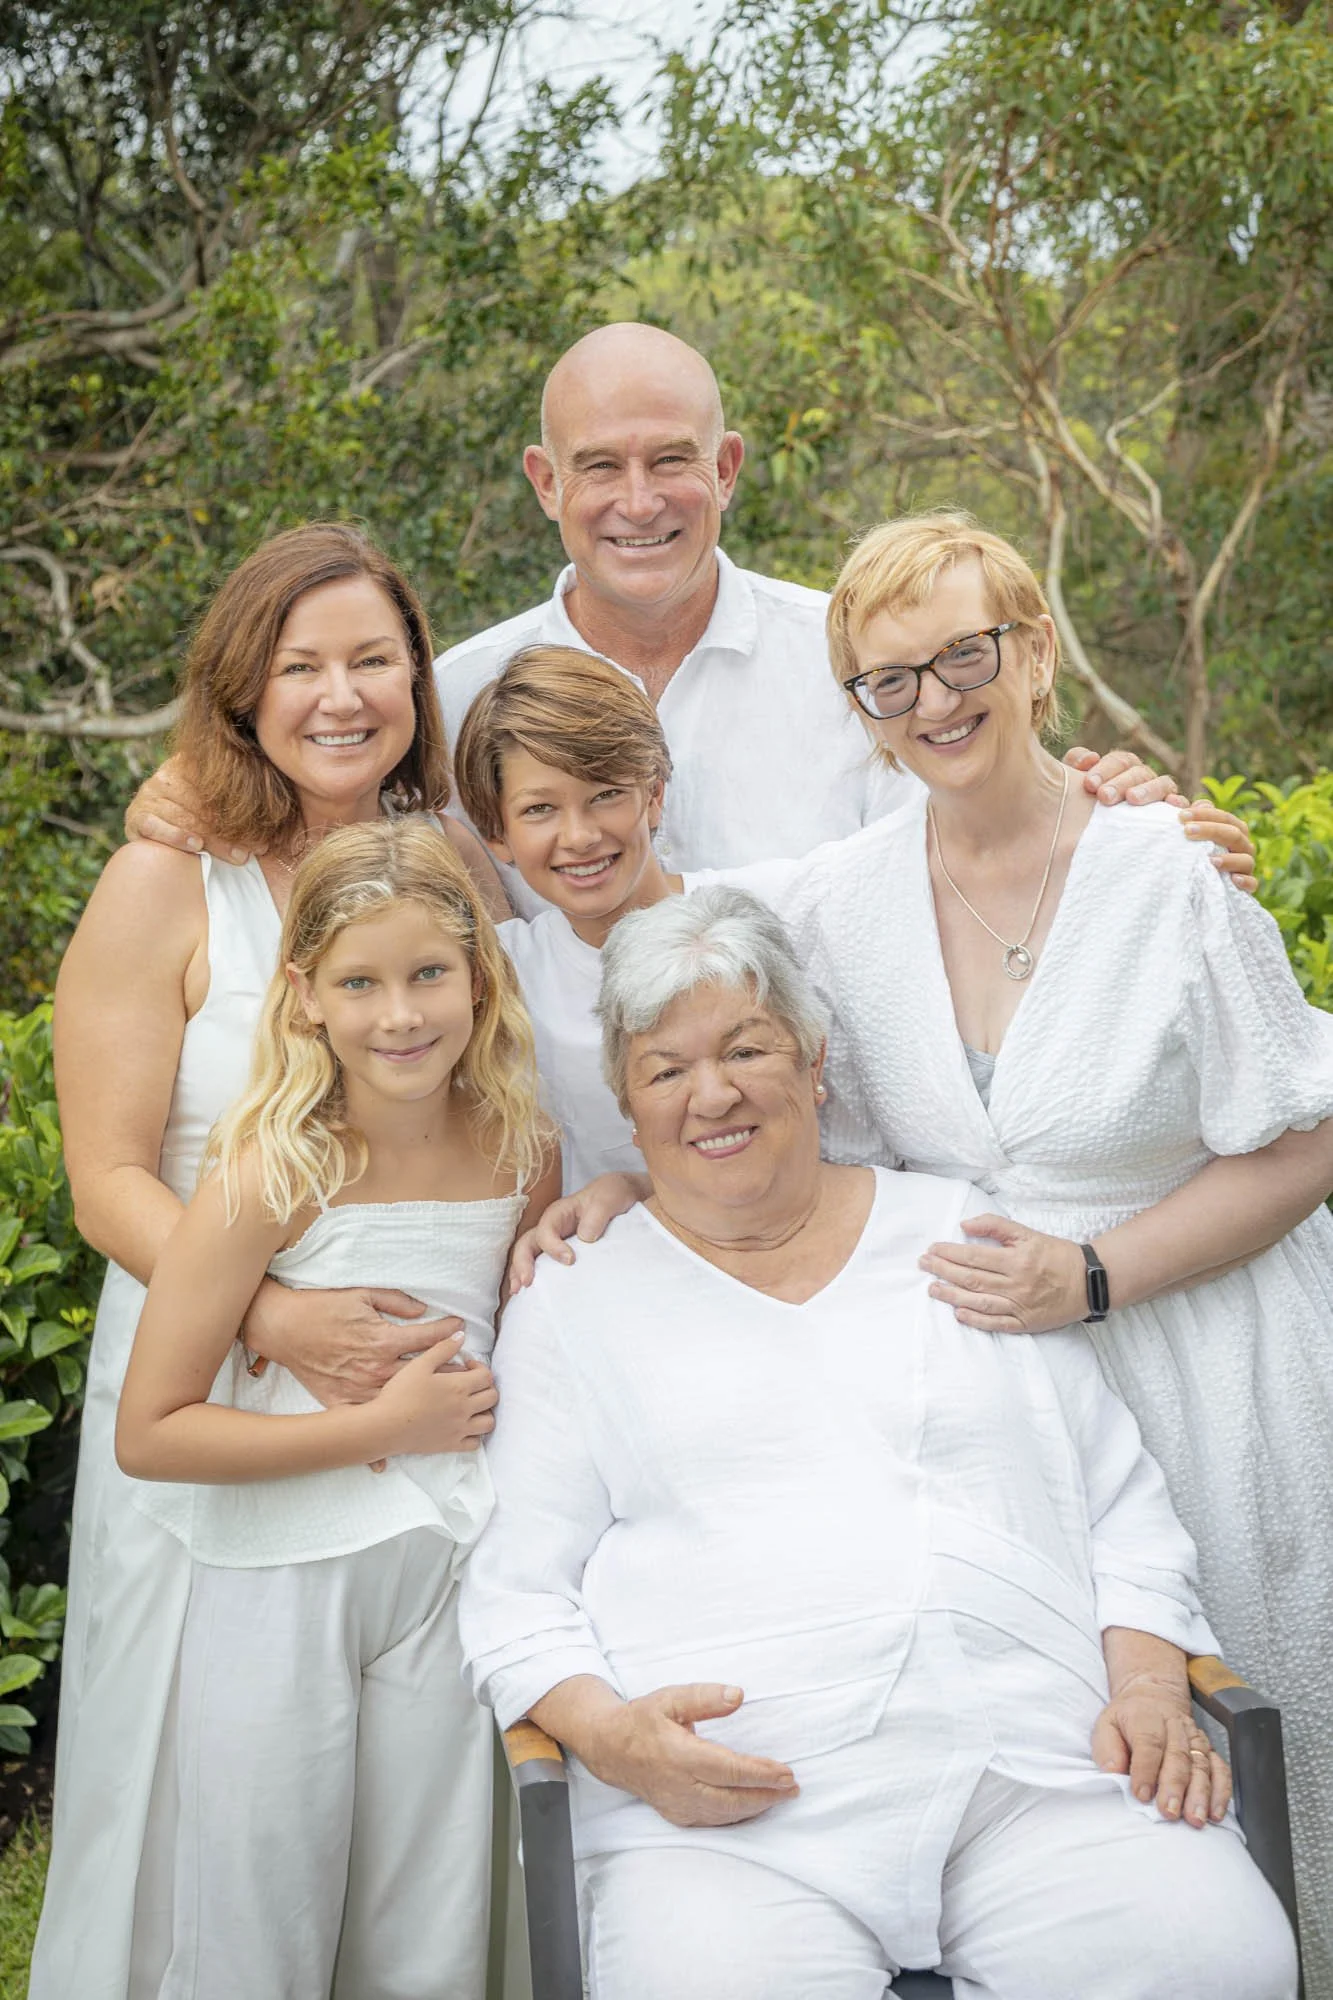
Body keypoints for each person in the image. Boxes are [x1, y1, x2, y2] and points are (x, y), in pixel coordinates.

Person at [530, 511, 1333, 1988]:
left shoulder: (1164, 875)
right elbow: (692, 1002)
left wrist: (1095, 1276)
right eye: (887, 680)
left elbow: (1305, 1138)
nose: (933, 702)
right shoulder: (840, 897)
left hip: (1206, 1359)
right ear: (859, 706)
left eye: (963, 657)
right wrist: (635, 1188)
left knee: (1247, 1733)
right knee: (1066, 1738)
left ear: (1033, 653)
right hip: (988, 1385)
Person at [459, 888, 1297, 2000]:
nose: (711, 1094)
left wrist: (1147, 1683)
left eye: (746, 1048)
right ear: (625, 1098)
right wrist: (613, 1738)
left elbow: (1118, 1501)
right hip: (726, 1820)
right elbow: (515, 1592)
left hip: (1035, 1767)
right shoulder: (575, 1299)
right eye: (665, 1069)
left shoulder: (956, 1232)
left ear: (814, 1063)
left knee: (1222, 1962)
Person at [31, 524, 502, 2000]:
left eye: (373, 660)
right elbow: (107, 1176)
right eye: (301, 667)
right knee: (201, 1789)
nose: (340, 696)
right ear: (243, 693)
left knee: (413, 1825)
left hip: (417, 1432)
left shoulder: (453, 868)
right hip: (207, 1372)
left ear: (418, 680)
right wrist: (274, 1313)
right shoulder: (165, 881)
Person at [120, 323, 1258, 904]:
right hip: (563, 1198)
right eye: (597, 466)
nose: (638, 501)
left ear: (727, 467)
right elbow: (325, 811)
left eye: (671, 459)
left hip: (846, 1164)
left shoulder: (857, 659)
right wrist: (194, 786)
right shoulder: (450, 694)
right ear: (544, 483)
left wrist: (1127, 828)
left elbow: (993, 815)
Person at [113, 818, 558, 1997]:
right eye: (358, 982)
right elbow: (149, 1430)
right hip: (282, 1576)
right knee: (260, 1906)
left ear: (479, 975)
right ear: (304, 994)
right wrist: (377, 1428)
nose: (399, 1014)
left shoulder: (523, 1149)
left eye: (428, 973)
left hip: (446, 1571)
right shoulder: (270, 1170)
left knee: (429, 1916)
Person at [454, 643, 679, 1186]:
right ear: (496, 833)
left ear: (653, 796)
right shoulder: (499, 973)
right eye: (539, 809)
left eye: (605, 794)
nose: (579, 837)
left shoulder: (760, 916)